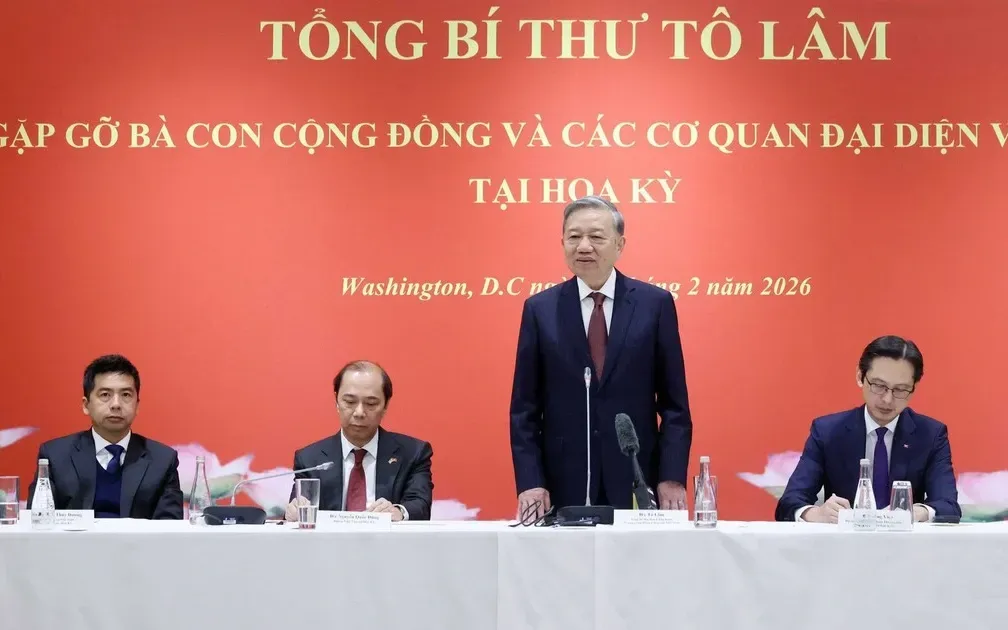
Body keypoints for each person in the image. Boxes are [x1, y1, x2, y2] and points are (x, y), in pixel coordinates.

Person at [509, 195, 693, 518]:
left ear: (620, 244)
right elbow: (524, 411)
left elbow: (674, 407)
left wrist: (671, 477)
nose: (584, 246)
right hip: (564, 482)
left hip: (638, 478)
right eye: (574, 236)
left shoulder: (654, 305)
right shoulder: (540, 310)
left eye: (596, 236)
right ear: (563, 243)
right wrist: (531, 482)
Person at [776, 335, 961, 523]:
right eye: (879, 386)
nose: (887, 399)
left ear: (913, 388)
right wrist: (815, 514)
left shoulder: (931, 435)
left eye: (900, 389)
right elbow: (789, 502)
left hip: (904, 540)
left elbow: (949, 506)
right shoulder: (827, 432)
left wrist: (920, 512)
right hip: (844, 540)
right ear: (860, 377)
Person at [26, 354, 183, 519]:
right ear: (86, 405)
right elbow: (38, 520)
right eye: (105, 395)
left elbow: (169, 525)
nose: (116, 404)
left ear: (137, 405)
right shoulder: (55, 455)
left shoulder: (162, 460)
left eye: (126, 395)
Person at [285, 360, 433, 521]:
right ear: (337, 401)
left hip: (386, 537)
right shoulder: (310, 459)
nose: (359, 412)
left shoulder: (413, 453)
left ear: (385, 405)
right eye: (350, 402)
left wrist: (399, 511)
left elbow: (420, 505)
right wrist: (294, 511)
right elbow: (300, 508)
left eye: (371, 403)